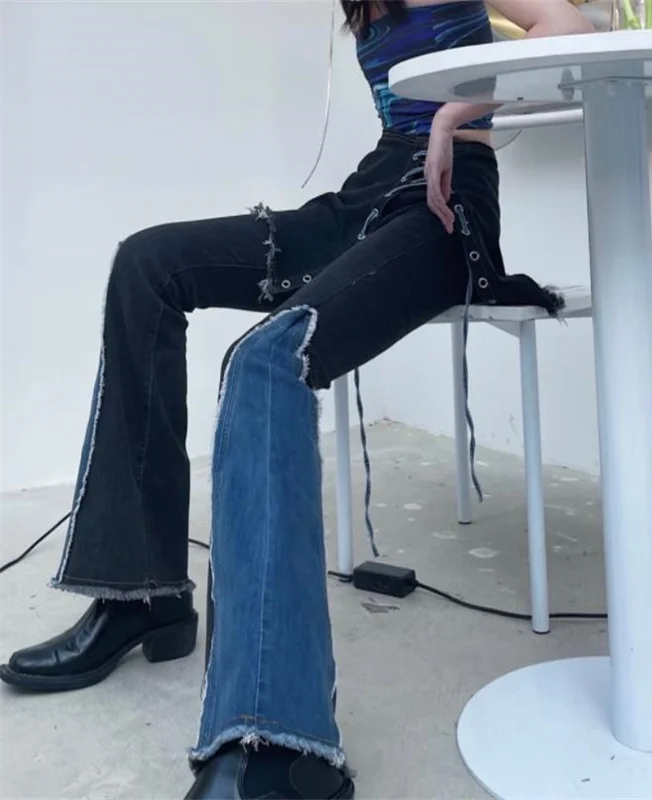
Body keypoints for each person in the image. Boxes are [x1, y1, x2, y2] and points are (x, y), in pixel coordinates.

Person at [0, 1, 594, 797]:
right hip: (365, 196)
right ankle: (142, 595)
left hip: (445, 204)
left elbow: (570, 25)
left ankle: (278, 742)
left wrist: (459, 111)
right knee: (147, 264)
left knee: (266, 358)